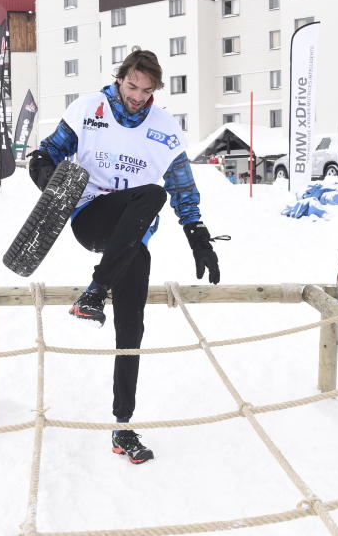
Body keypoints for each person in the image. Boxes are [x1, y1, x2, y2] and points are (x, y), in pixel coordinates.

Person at [27, 49, 222, 465]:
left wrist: (198, 236)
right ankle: (96, 290)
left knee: (131, 328)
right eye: (132, 86)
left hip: (133, 238)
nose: (137, 96)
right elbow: (47, 152)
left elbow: (183, 188)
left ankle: (122, 426)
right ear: (120, 79)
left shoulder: (165, 130)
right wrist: (46, 176)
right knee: (153, 194)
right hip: (92, 217)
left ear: (156, 90)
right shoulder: (88, 109)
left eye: (146, 90)